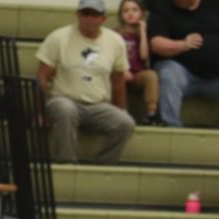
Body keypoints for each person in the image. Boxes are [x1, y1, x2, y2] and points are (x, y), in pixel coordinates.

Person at [36, 0, 136, 163]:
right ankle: (65, 162)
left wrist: (121, 109)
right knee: (65, 109)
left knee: (126, 123)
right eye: (85, 14)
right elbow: (42, 76)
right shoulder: (58, 37)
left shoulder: (115, 41)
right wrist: (40, 111)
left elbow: (118, 80)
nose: (89, 19)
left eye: (94, 15)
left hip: (98, 104)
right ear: (78, 15)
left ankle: (105, 166)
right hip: (63, 98)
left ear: (103, 19)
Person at [148, 0, 219, 128]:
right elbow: (156, 44)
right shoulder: (161, 8)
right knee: (169, 72)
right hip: (183, 74)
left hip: (215, 79)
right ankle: (171, 127)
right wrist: (183, 45)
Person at [117, 0, 160, 124]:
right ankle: (122, 113)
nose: (130, 13)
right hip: (120, 73)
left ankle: (152, 114)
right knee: (118, 77)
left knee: (151, 75)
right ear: (121, 15)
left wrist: (143, 31)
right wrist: (123, 70)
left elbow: (144, 55)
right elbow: (112, 58)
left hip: (137, 74)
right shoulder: (116, 34)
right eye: (126, 11)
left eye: (134, 10)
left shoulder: (144, 34)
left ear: (141, 13)